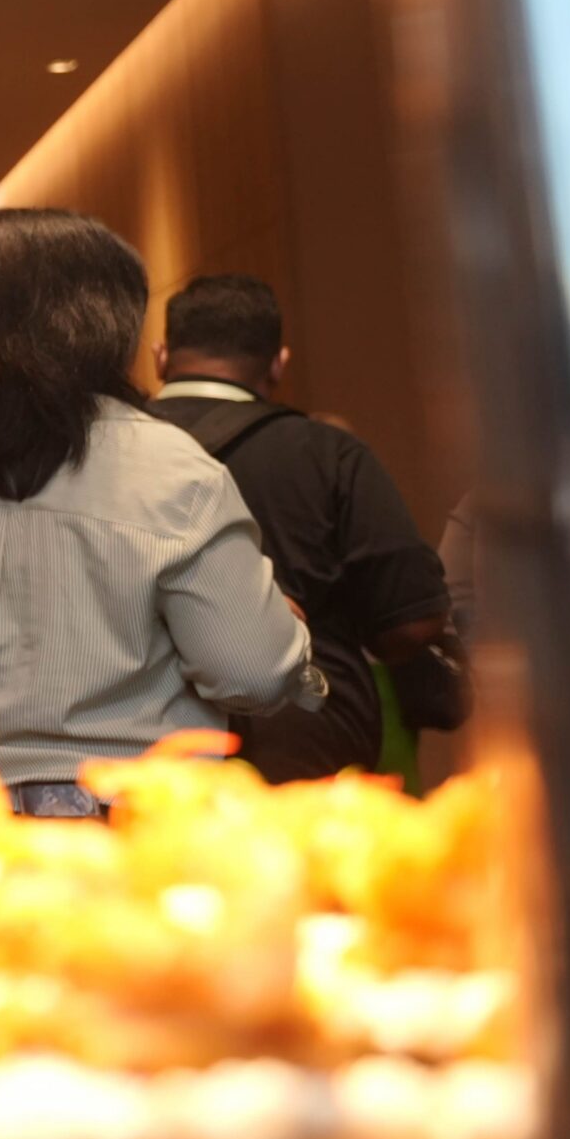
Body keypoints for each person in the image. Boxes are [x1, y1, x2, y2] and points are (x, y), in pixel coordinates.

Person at [0, 209, 320, 814]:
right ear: (111, 322)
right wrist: (290, 640)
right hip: (131, 824)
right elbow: (251, 673)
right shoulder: (172, 468)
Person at [149, 275, 455, 782]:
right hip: (306, 752)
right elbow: (411, 620)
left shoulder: (106, 455)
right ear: (278, 363)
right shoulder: (329, 454)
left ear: (161, 357)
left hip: (149, 755)